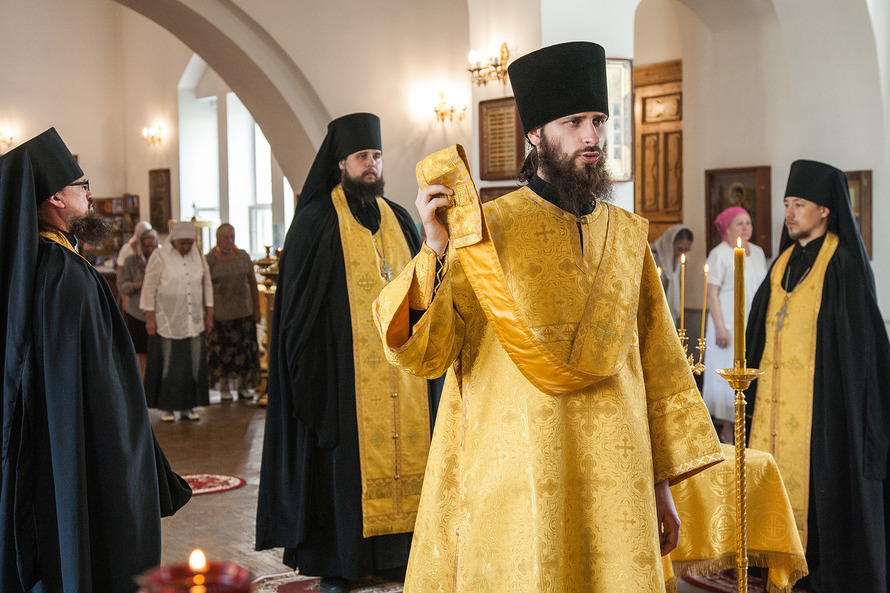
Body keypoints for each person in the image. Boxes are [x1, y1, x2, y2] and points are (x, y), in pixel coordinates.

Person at [373, 42, 723, 592]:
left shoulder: (628, 236)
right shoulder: (485, 234)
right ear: (535, 133)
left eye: (598, 121)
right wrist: (434, 249)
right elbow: (425, 354)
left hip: (618, 483)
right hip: (517, 481)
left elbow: (659, 370)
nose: (592, 137)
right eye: (573, 123)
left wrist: (660, 488)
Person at [0, 128, 191, 592]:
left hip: (51, 434)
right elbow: (102, 380)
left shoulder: (38, 264)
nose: (90, 195)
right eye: (81, 185)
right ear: (55, 198)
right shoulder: (66, 273)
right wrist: (128, 447)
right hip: (87, 435)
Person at [256, 113, 435, 593]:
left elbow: (424, 287)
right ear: (340, 163)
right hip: (340, 376)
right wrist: (309, 373)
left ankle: (398, 557)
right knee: (343, 470)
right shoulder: (316, 222)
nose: (371, 164)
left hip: (404, 375)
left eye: (376, 156)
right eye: (362, 157)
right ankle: (340, 564)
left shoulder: (399, 218)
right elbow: (297, 312)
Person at [746, 159, 890, 592]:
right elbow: (757, 336)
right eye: (786, 204)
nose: (788, 213)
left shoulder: (843, 266)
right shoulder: (781, 265)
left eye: (799, 205)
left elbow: (859, 353)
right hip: (771, 417)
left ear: (825, 210)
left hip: (823, 416)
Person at [701, 207, 766, 442]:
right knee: (726, 376)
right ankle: (728, 429)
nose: (746, 227)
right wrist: (719, 327)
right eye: (740, 223)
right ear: (727, 229)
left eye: (748, 223)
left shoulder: (758, 252)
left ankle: (746, 426)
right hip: (726, 325)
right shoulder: (718, 254)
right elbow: (712, 293)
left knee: (749, 371)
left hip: (751, 323)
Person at [141, 221, 214, 422]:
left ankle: (188, 407)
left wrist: (209, 313)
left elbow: (207, 284)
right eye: (183, 243)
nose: (186, 247)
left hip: (193, 319)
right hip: (168, 318)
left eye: (190, 243)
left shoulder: (198, 255)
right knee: (169, 363)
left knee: (193, 363)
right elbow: (149, 287)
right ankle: (167, 407)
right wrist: (150, 317)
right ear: (174, 240)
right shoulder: (160, 256)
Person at [206, 223, 261, 401]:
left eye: (232, 237)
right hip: (220, 315)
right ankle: (224, 387)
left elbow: (253, 283)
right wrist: (208, 315)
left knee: (244, 353)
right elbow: (205, 287)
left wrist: (257, 308)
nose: (229, 241)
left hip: (244, 313)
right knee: (222, 354)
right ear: (218, 239)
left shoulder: (243, 256)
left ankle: (244, 386)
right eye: (225, 237)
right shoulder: (210, 260)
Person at [117, 228, 160, 377]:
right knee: (140, 351)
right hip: (137, 313)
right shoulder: (131, 261)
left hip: (158, 313)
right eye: (146, 246)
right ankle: (142, 381)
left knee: (157, 352)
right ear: (141, 246)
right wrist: (139, 285)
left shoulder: (161, 261)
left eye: (153, 246)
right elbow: (121, 285)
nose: (150, 250)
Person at [650, 224, 694, 325]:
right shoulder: (652, 255)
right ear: (670, 243)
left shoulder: (680, 262)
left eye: (686, 250)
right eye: (680, 248)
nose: (682, 253)